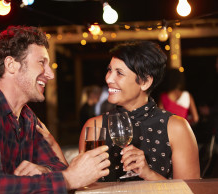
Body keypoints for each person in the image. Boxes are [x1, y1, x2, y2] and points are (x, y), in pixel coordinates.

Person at [0, 25, 110, 194]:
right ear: (11, 65)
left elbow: (59, 168)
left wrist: (46, 170)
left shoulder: (27, 117)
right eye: (42, 63)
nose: (50, 74)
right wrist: (67, 179)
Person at [79, 41, 200, 181]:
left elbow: (190, 191)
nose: (108, 78)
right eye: (109, 70)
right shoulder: (95, 127)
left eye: (119, 73)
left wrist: (149, 174)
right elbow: (86, 186)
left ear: (144, 82)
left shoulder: (176, 127)